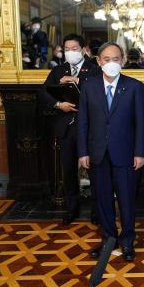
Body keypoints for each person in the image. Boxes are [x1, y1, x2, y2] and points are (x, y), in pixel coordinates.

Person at [78, 42, 144, 262]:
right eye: (106, 59)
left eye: (115, 59)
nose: (111, 63)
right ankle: (109, 240)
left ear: (123, 61)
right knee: (102, 200)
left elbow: (141, 123)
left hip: (126, 153)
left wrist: (140, 152)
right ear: (98, 61)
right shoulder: (88, 86)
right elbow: (83, 123)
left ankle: (127, 242)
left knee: (126, 199)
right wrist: (83, 152)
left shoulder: (134, 86)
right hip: (97, 153)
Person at [39, 33, 100, 225]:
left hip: (89, 129)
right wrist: (58, 105)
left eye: (74, 49)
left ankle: (97, 211)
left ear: (82, 49)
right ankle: (72, 209)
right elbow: (43, 93)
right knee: (68, 171)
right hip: (66, 127)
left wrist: (77, 81)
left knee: (94, 171)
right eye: (67, 49)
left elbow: (99, 90)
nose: (70, 52)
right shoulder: (58, 70)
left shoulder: (94, 69)